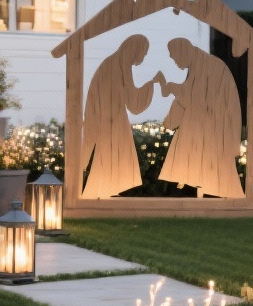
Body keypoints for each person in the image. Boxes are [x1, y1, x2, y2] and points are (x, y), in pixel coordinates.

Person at [156, 37, 244, 198]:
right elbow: (190, 95)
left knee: (214, 166)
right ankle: (204, 196)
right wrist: (170, 119)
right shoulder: (199, 64)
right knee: (202, 165)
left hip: (215, 126)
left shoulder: (209, 65)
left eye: (175, 57)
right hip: (206, 123)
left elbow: (194, 97)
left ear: (184, 51)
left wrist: (170, 87)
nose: (175, 62)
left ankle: (226, 199)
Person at [82, 34, 154, 198]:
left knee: (113, 156)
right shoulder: (118, 64)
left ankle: (105, 193)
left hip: (111, 118)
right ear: (135, 49)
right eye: (143, 52)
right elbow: (133, 102)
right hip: (109, 120)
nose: (143, 57)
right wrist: (151, 84)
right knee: (110, 155)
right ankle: (99, 194)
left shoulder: (117, 63)